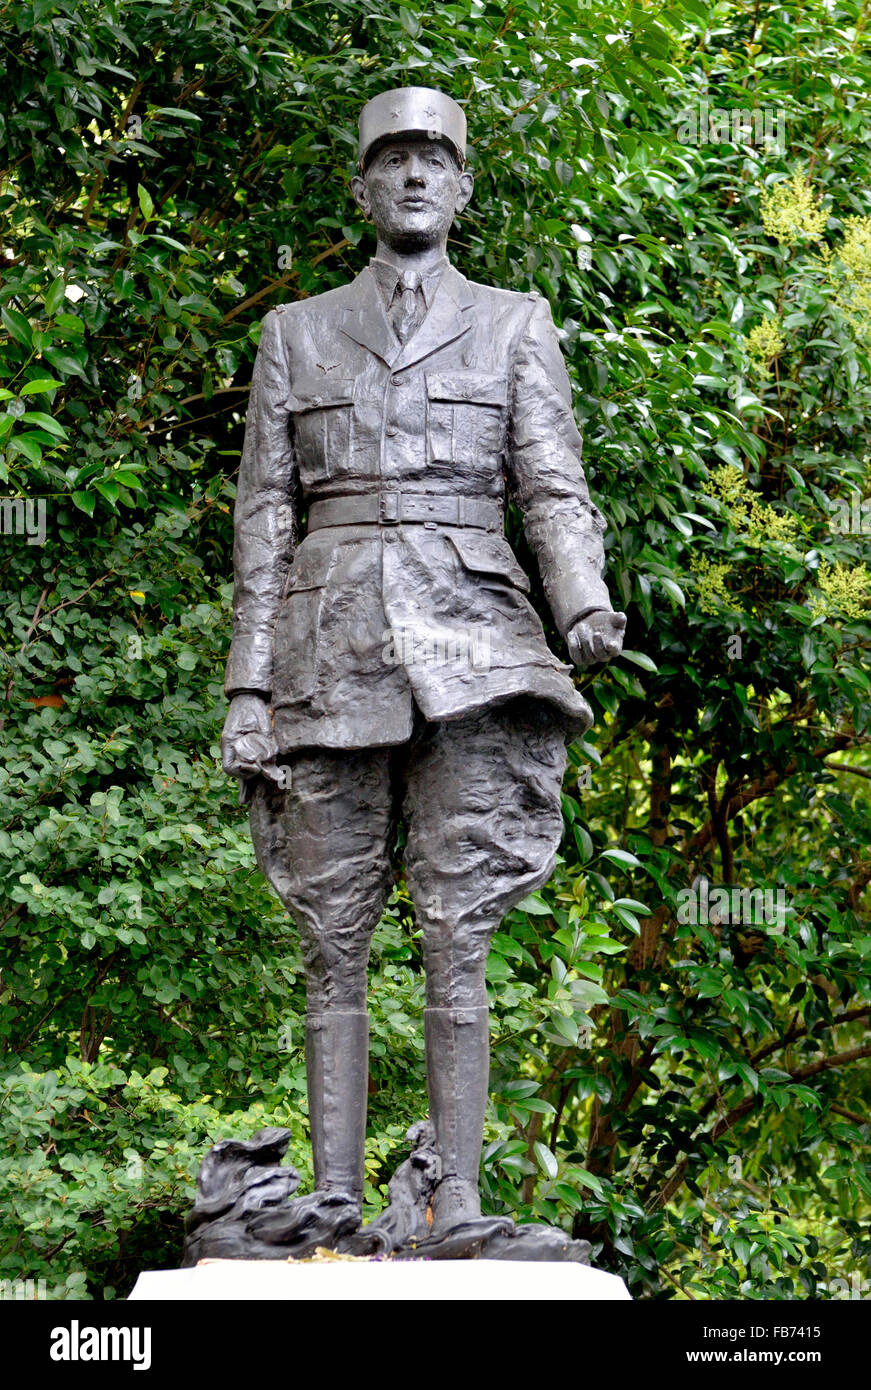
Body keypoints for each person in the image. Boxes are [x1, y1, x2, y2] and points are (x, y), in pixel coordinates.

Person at [221, 87, 626, 1238]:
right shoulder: (295, 332)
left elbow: (551, 485)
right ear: (361, 188)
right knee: (329, 929)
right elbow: (264, 517)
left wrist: (582, 602)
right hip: (325, 644)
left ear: (459, 186)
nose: (411, 178)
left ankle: (454, 1196)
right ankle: (338, 1195)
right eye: (391, 160)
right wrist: (248, 684)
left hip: (476, 642)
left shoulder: (514, 323)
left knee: (460, 925)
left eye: (431, 161)